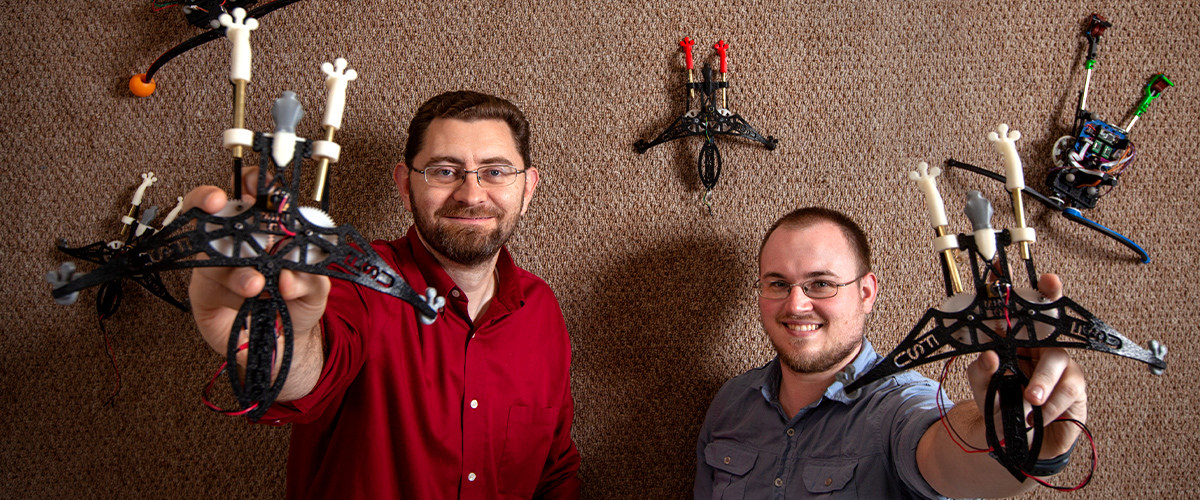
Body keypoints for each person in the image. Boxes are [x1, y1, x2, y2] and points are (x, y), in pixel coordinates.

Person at [183, 91, 581, 499]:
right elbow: (308, 370)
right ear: (406, 185)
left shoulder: (542, 312)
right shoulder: (357, 279)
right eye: (445, 171)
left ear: (527, 188)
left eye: (495, 172)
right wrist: (279, 345)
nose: (472, 194)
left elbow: (555, 470)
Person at [694, 207, 1087, 499]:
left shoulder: (899, 407)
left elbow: (951, 451)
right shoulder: (731, 403)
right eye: (778, 284)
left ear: (866, 293)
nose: (796, 305)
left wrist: (1013, 437)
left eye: (821, 284)